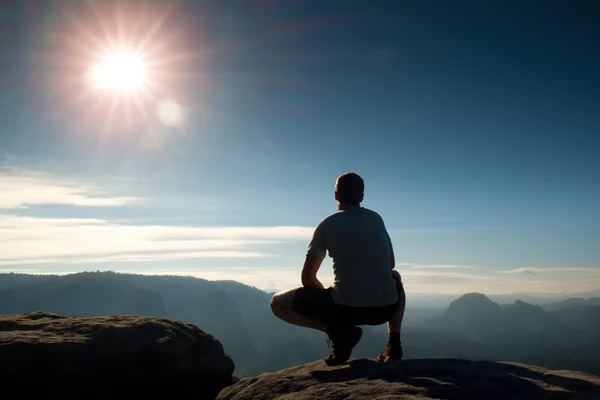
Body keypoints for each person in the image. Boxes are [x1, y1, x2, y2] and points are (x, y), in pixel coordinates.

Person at [270, 172, 406, 366]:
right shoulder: (376, 219)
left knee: (276, 303)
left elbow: (307, 277)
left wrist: (328, 298)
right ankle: (393, 344)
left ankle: (338, 332)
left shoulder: (327, 225)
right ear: (362, 196)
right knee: (395, 276)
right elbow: (390, 264)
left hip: (343, 310)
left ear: (335, 195)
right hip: (384, 310)